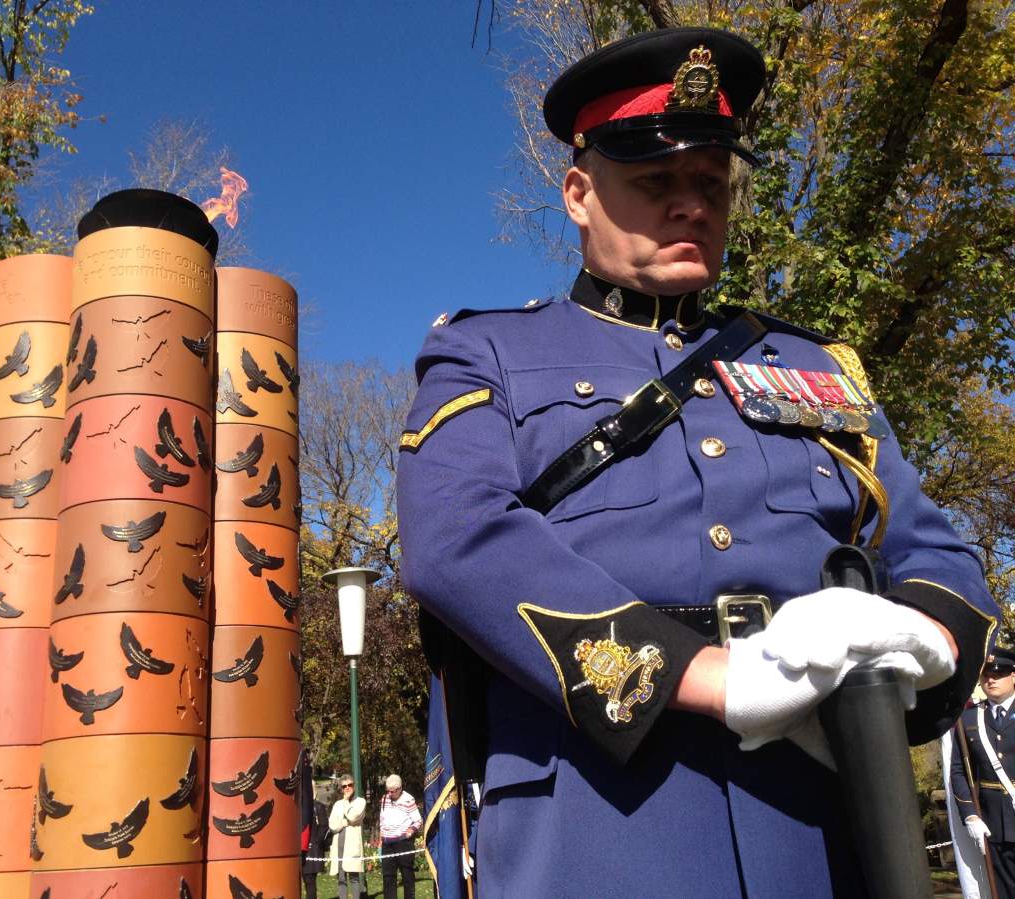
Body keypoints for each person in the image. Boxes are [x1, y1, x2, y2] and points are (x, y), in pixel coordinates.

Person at [396, 26, 998, 898]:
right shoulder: (485, 351)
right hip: (600, 823)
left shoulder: (813, 366)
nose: (693, 205)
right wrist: (711, 674)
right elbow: (456, 537)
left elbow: (934, 552)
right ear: (577, 193)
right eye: (656, 182)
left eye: (712, 184)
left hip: (826, 815)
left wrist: (908, 651)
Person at [951, 648, 1015, 898]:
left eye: (998, 673)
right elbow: (959, 771)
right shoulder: (968, 718)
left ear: (1013, 676)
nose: (991, 679)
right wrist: (971, 816)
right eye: (986, 674)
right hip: (994, 823)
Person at [378, 773, 422, 899]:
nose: (390, 794)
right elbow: (382, 820)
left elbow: (418, 820)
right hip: (387, 844)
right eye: (388, 791)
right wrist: (381, 840)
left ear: (399, 789)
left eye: (392, 791)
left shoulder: (408, 799)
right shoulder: (385, 799)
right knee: (388, 878)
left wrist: (411, 830)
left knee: (407, 877)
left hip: (403, 843)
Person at [328, 775, 367, 899]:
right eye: (344, 786)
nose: (347, 788)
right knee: (341, 877)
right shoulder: (337, 804)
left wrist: (346, 803)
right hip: (338, 845)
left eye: (350, 785)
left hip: (352, 846)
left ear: (354, 786)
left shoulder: (360, 802)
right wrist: (345, 823)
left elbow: (353, 816)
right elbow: (333, 826)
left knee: (354, 877)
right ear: (341, 788)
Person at [301, 790, 331, 899]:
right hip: (299, 849)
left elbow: (324, 827)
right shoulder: (297, 806)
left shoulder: (318, 807)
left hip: (311, 849)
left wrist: (315, 843)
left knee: (309, 881)